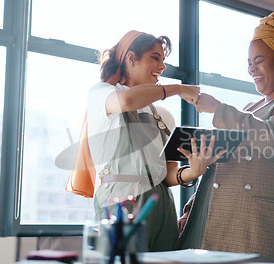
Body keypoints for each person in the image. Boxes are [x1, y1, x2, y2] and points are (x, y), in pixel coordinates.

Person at [177, 10, 274, 256]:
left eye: (259, 61)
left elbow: (271, 139)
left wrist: (217, 109)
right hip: (220, 219)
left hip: (260, 226)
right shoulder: (249, 109)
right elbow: (220, 159)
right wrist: (191, 210)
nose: (251, 69)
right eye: (248, 63)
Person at [85, 30, 226, 252]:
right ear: (131, 58)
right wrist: (178, 88)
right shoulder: (103, 94)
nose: (162, 67)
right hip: (122, 198)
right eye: (155, 57)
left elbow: (167, 175)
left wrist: (193, 171)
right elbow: (127, 100)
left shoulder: (162, 116)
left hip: (161, 204)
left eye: (163, 60)